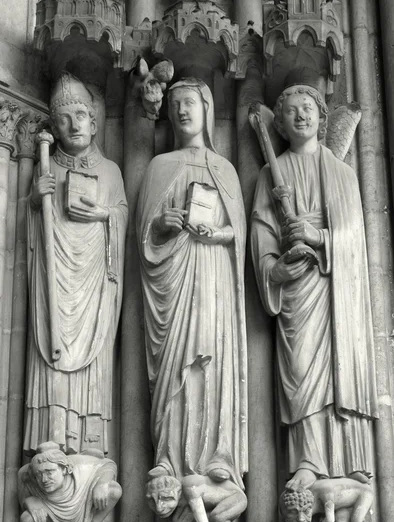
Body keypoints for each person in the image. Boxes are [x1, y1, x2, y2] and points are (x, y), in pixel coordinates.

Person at [251, 76, 378, 490]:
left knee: (338, 367)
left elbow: (355, 240)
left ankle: (342, 459)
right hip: (296, 288)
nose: (301, 114)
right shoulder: (272, 173)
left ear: (322, 119)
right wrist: (274, 268)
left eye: (309, 107)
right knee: (300, 368)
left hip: (333, 288)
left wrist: (318, 237)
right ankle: (308, 459)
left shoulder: (341, 173)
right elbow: (261, 233)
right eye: (290, 110)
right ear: (281, 125)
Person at [137, 78, 248, 490]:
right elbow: (143, 242)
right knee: (176, 364)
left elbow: (238, 234)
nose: (182, 111)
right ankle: (169, 458)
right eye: (175, 104)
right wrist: (162, 226)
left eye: (189, 102)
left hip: (214, 277)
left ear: (207, 109)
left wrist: (218, 234)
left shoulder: (225, 169)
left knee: (213, 361)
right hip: (175, 282)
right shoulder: (159, 166)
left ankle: (219, 456)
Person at [25, 72, 128, 455]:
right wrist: (36, 201)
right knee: (50, 351)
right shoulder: (46, 168)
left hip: (94, 285)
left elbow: (121, 217)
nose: (73, 126)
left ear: (95, 122)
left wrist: (105, 214)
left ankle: (88, 444)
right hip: (55, 280)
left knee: (94, 358)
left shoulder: (111, 172)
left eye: (81, 116)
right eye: (64, 120)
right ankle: (51, 437)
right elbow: (30, 238)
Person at [18, 441, 121, 522]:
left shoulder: (80, 464)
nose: (44, 479)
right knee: (27, 518)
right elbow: (22, 480)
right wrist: (29, 501)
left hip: (84, 505)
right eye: (39, 474)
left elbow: (108, 464)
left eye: (49, 472)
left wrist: (102, 483)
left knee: (113, 490)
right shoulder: (28, 475)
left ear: (65, 469)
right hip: (49, 509)